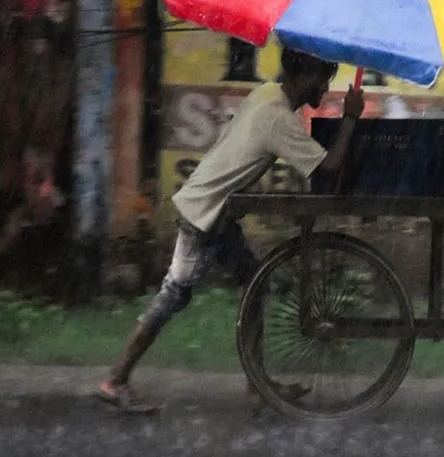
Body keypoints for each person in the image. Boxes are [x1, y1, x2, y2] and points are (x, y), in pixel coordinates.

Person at [96, 47, 364, 412]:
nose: (325, 88)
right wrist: (350, 118)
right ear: (303, 77)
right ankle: (116, 380)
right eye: (323, 79)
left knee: (254, 281)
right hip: (206, 214)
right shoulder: (278, 117)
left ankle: (257, 385)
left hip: (216, 211)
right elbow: (329, 168)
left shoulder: (268, 93)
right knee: (175, 294)